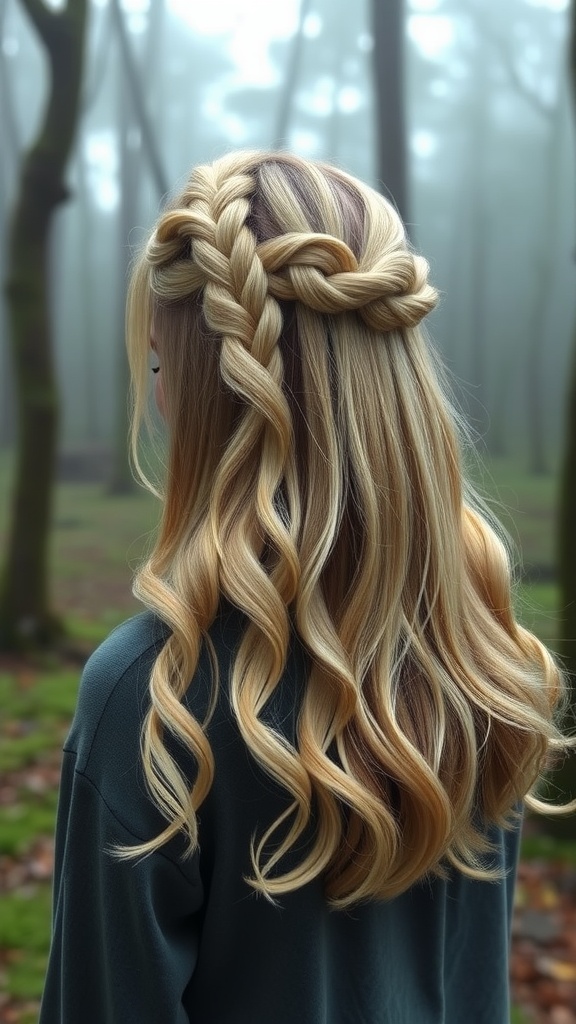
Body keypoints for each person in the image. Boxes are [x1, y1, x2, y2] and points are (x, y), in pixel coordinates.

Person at [40, 151, 574, 1024]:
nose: (160, 398)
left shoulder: (156, 701)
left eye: (162, 366)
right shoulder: (484, 661)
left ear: (210, 390)